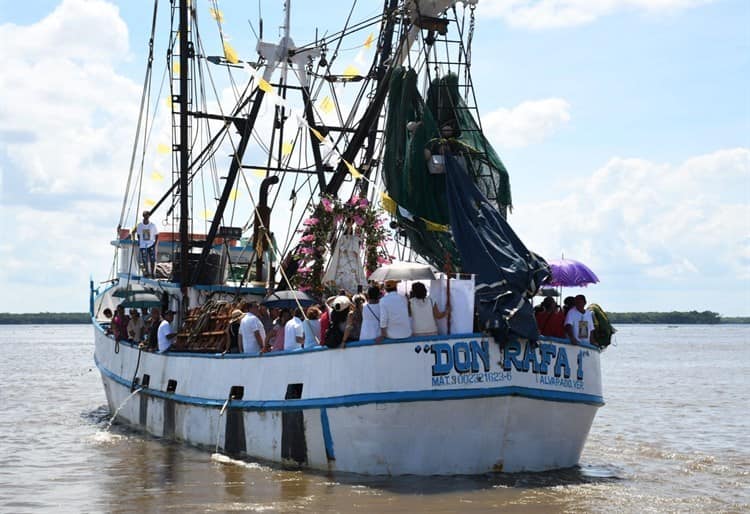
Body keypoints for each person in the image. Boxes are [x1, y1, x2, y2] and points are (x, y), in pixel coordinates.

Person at [135, 210, 159, 278]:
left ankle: (152, 273)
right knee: (144, 260)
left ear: (149, 216)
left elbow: (157, 234)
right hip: (143, 245)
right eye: (145, 215)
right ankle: (147, 273)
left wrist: (155, 243)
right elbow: (138, 235)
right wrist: (140, 242)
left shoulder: (152, 225)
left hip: (151, 244)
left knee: (152, 260)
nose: (146, 217)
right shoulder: (140, 225)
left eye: (147, 216)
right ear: (143, 216)